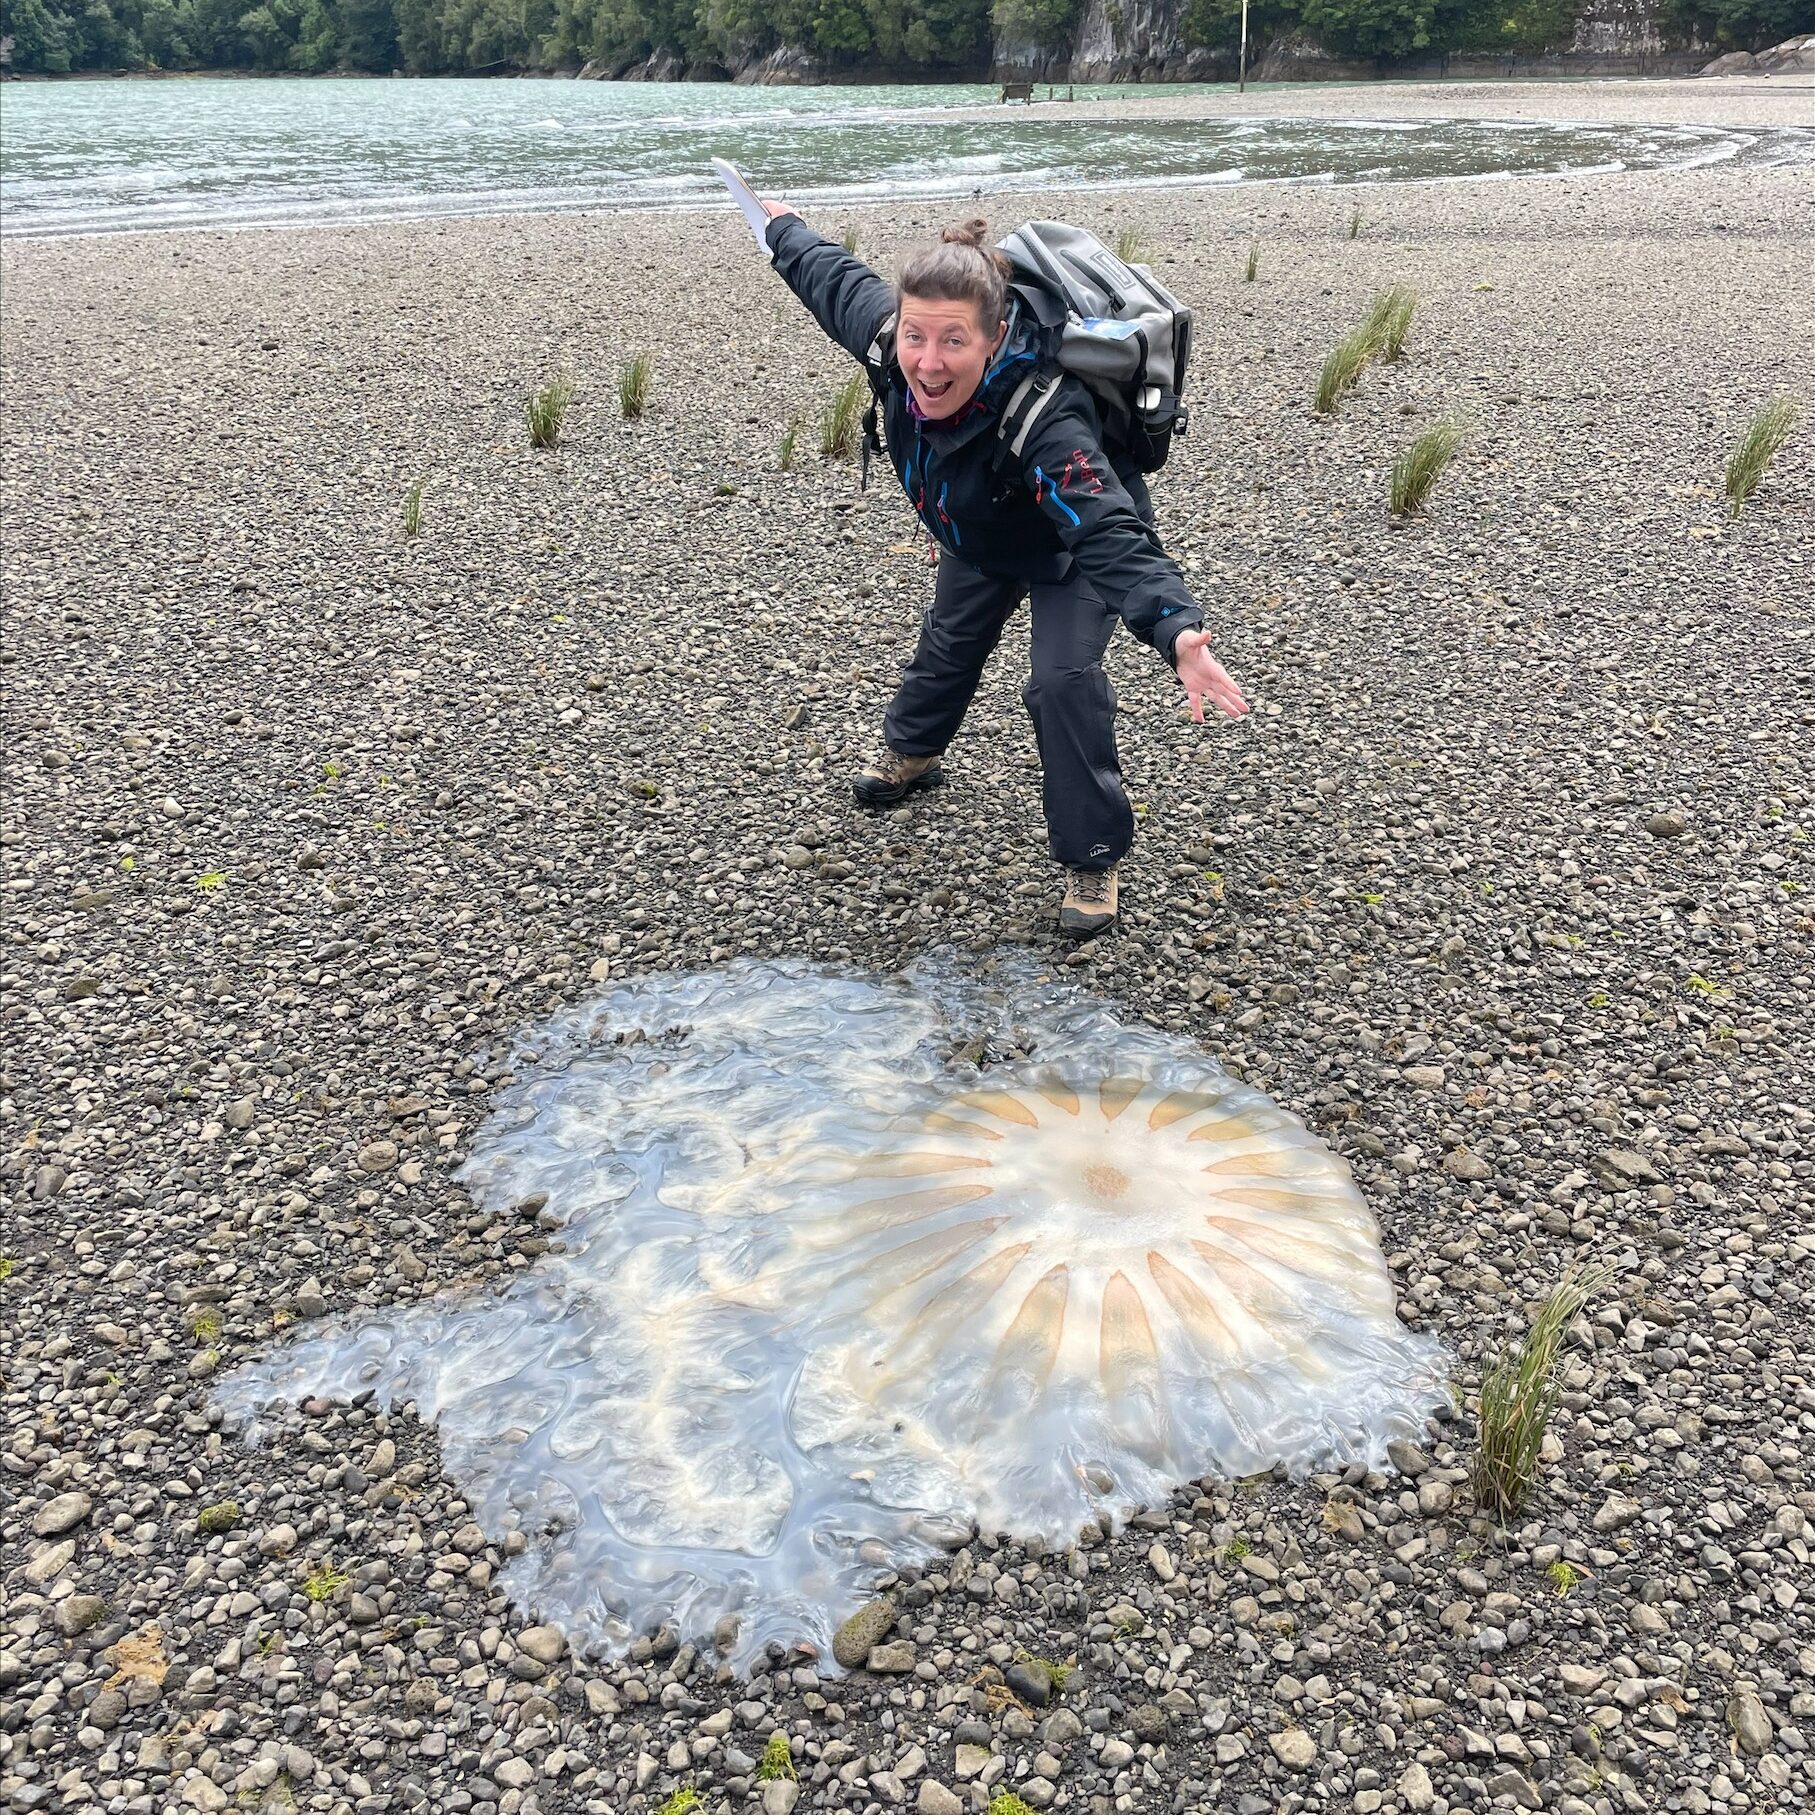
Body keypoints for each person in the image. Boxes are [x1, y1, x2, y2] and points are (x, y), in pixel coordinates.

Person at [762, 205, 1248, 937]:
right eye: (917, 335)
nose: (927, 360)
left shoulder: (1041, 412)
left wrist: (1175, 627)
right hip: (981, 529)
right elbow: (831, 279)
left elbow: (1106, 528)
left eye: (953, 340)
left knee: (1061, 682)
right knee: (949, 641)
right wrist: (779, 227)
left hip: (1068, 545)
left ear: (993, 340)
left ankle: (1092, 853)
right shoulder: (891, 337)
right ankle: (914, 752)